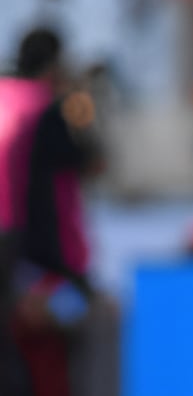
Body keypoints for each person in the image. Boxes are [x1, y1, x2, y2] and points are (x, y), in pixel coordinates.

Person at [0, 26, 118, 396]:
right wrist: (80, 105)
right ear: (54, 66)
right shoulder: (48, 110)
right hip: (33, 264)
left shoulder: (6, 98)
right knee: (98, 323)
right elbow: (92, 161)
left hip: (15, 260)